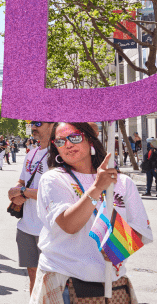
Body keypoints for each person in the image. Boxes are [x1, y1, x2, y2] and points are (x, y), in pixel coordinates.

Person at [30, 122, 153, 303]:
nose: (69, 145)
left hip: (113, 284)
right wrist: (97, 187)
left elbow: (141, 230)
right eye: (60, 141)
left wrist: (118, 247)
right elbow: (69, 225)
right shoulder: (53, 179)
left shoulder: (123, 182)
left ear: (90, 140)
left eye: (75, 137)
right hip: (65, 282)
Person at [8, 121, 54, 294]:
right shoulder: (31, 153)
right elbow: (22, 181)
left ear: (52, 125)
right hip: (26, 226)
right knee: (33, 274)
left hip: (48, 228)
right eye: (31, 123)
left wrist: (24, 192)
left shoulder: (58, 154)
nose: (33, 127)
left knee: (50, 278)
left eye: (38, 123)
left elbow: (53, 192)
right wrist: (15, 191)